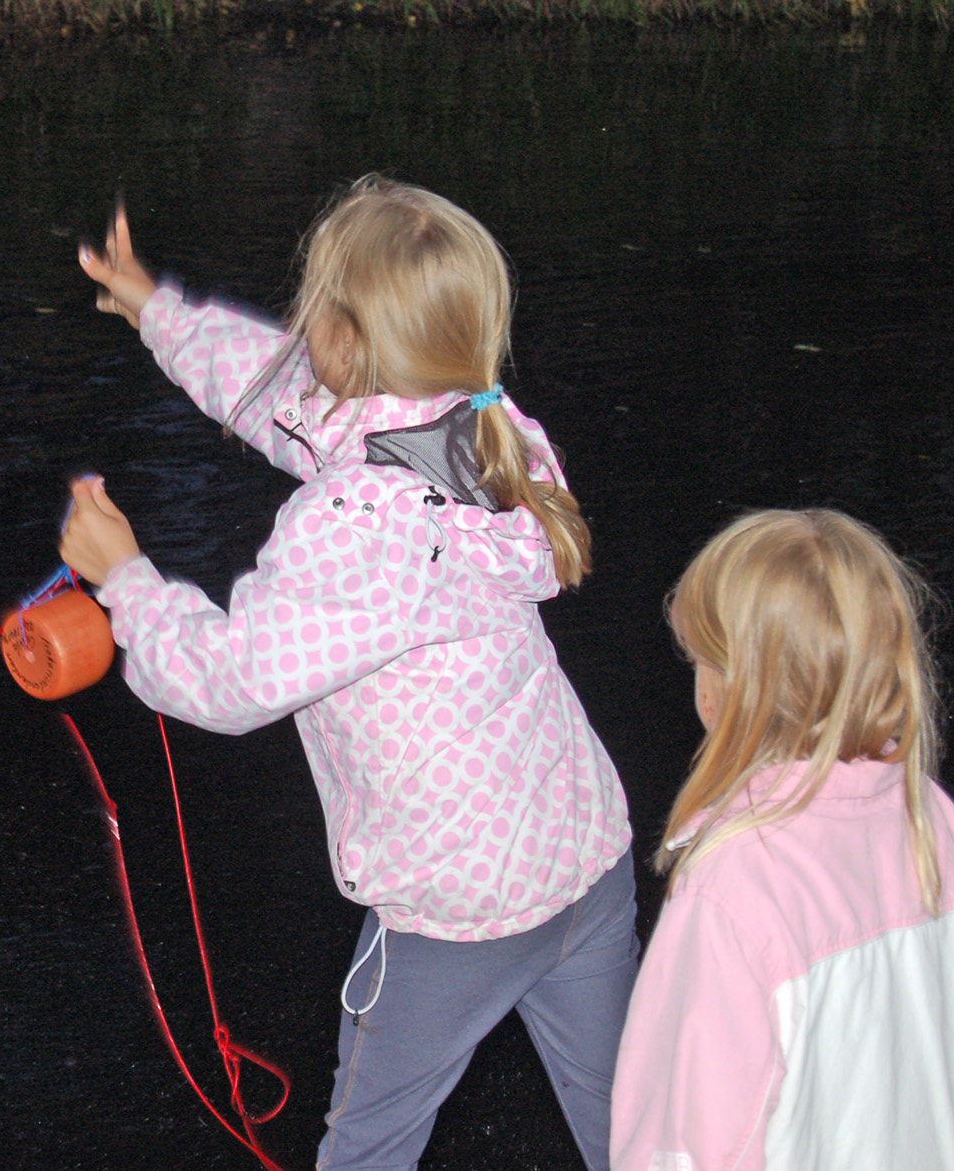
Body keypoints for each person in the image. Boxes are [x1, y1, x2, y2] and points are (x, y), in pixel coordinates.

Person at [60, 177, 636, 1171]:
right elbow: (277, 394)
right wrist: (158, 311)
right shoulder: (486, 431)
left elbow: (230, 679)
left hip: (455, 912)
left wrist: (127, 581)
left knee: (364, 1150)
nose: (296, 329)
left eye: (309, 308)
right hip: (584, 859)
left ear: (342, 337)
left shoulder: (358, 527)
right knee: (638, 1133)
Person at [612, 510, 954, 1171]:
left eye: (698, 659)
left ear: (727, 692)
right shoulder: (928, 818)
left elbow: (690, 1132)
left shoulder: (734, 880)